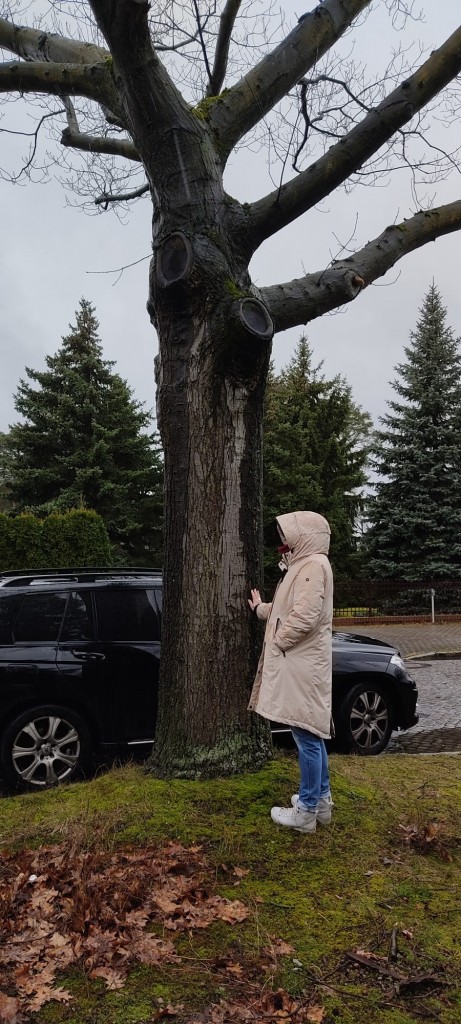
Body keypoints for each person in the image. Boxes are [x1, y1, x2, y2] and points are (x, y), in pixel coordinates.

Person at [248, 510, 334, 834]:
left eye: (287, 535)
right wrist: (260, 609)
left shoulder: (312, 566)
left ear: (304, 535)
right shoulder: (304, 566)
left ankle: (307, 811)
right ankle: (321, 802)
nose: (283, 541)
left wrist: (278, 642)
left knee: (305, 735)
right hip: (303, 664)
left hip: (301, 664)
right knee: (311, 732)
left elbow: (304, 616)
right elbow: (285, 609)